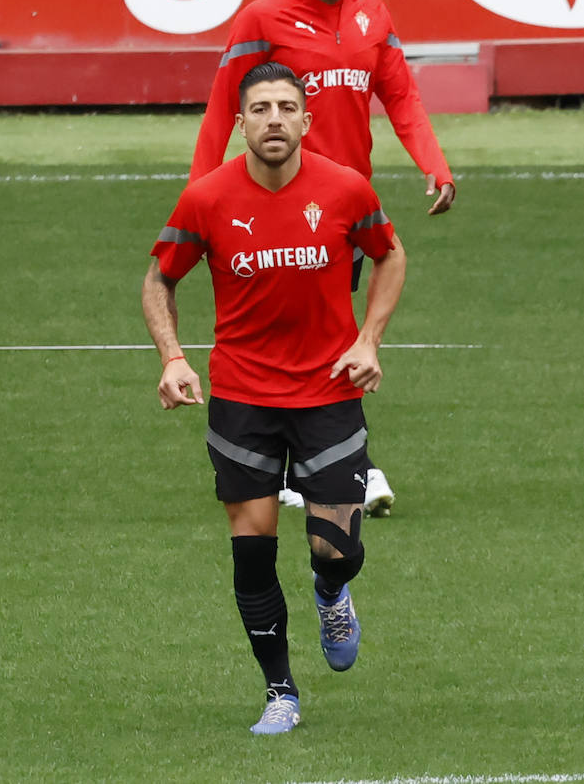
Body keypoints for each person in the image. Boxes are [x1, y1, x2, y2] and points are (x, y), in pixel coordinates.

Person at [144, 62, 406, 734]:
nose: (274, 120)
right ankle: (280, 693)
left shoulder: (347, 190)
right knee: (252, 549)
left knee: (336, 548)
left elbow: (390, 254)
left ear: (306, 120)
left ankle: (331, 592)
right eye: (259, 109)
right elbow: (158, 279)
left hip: (328, 391)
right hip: (242, 399)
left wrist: (369, 340)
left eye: (287, 107)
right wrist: (173, 357)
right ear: (240, 123)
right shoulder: (206, 199)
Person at [190, 0, 456, 517]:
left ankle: (327, 463)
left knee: (331, 336)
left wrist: (434, 164)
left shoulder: (372, 15)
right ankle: (334, 465)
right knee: (295, 332)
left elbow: (402, 97)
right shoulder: (262, 18)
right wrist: (198, 195)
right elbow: (221, 106)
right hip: (275, 205)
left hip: (344, 209)